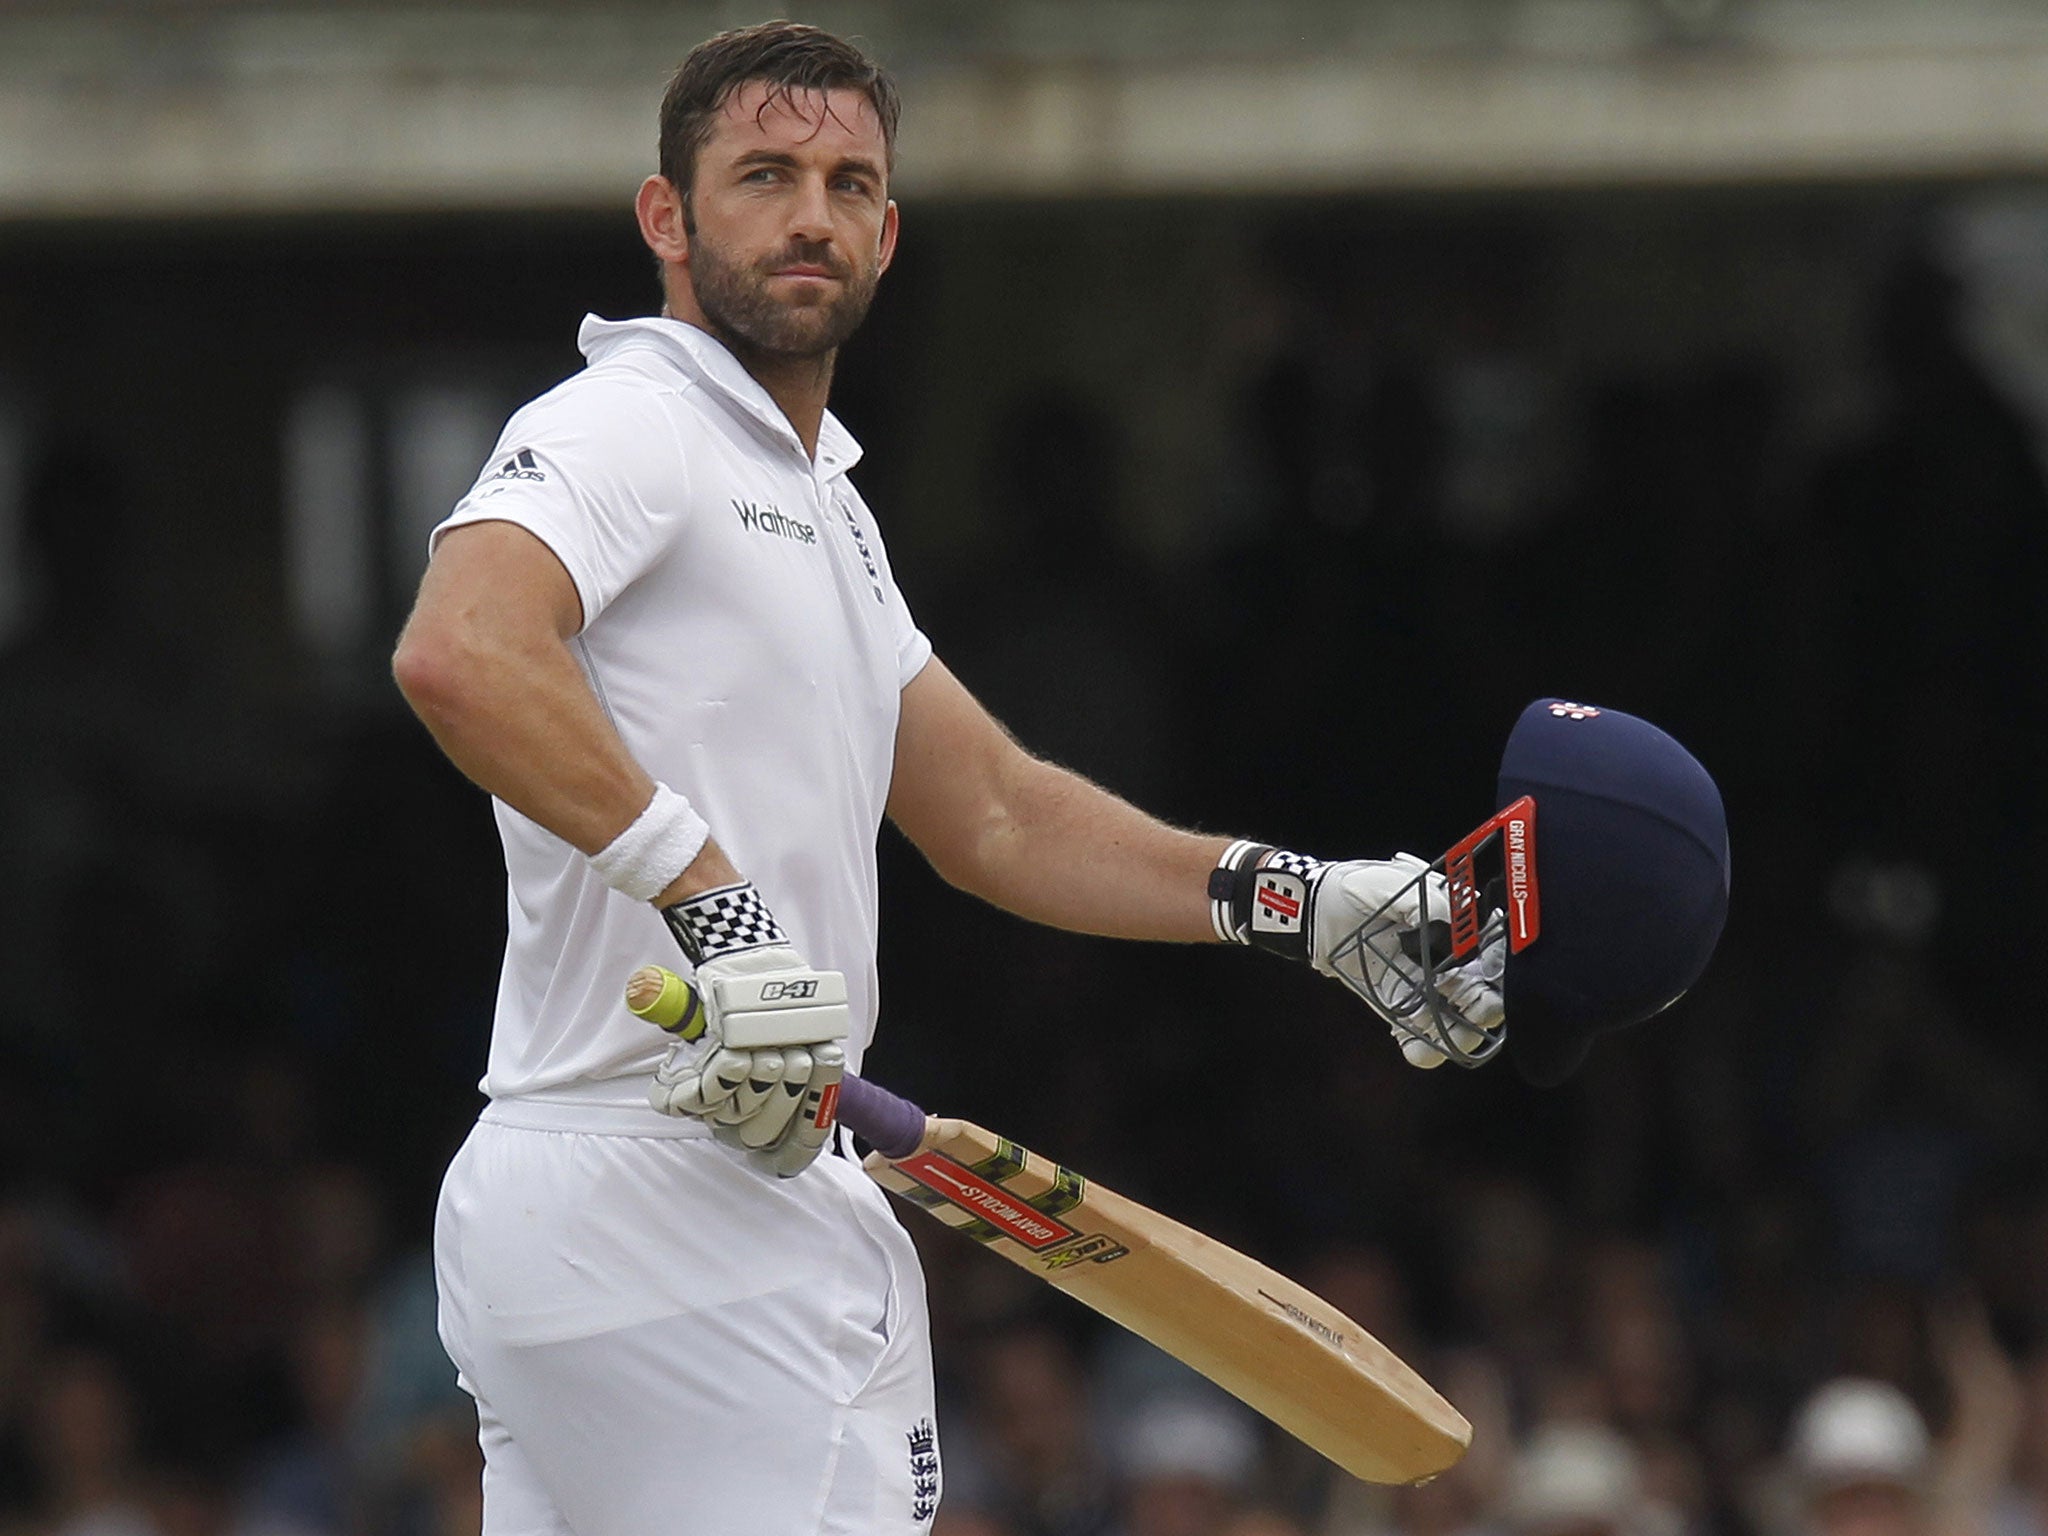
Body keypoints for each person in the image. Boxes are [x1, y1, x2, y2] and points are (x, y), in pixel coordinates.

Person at [393, 22, 1731, 1536]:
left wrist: (1302, 902)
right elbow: (462, 651)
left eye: (847, 183)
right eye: (762, 176)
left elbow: (998, 814)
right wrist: (719, 909)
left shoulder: (817, 504)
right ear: (667, 216)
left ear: (889, 234)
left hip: (613, 1201)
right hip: (679, 1204)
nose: (810, 216)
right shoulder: (637, 422)